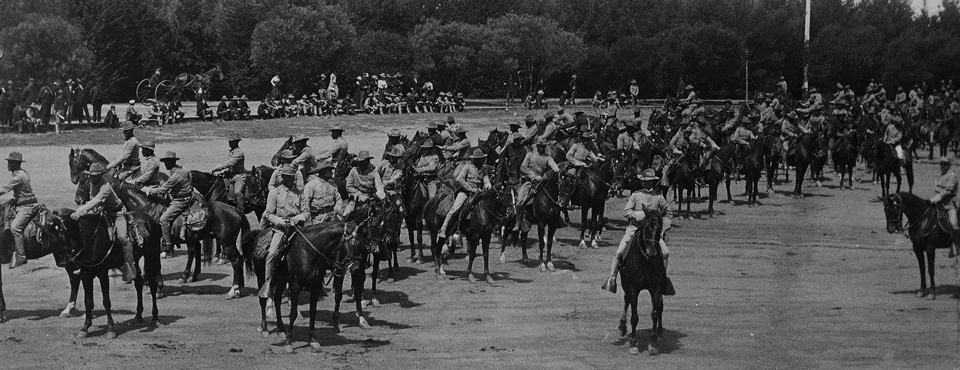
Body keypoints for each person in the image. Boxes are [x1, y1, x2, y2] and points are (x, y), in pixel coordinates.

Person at [601, 168, 672, 293]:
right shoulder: (635, 195)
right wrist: (637, 214)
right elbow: (626, 211)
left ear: (652, 182)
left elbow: (668, 212)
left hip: (652, 232)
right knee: (619, 252)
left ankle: (663, 279)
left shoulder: (659, 197)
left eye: (648, 181)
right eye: (644, 181)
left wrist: (662, 228)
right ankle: (612, 278)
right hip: (635, 228)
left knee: (665, 253)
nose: (645, 184)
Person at [72, 162, 139, 282]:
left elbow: (96, 200)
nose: (92, 178)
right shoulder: (93, 183)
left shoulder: (106, 186)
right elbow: (93, 199)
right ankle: (84, 264)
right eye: (91, 175)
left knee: (123, 237)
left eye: (94, 175)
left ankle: (130, 265)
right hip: (103, 211)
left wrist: (80, 211)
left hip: (117, 213)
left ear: (100, 175)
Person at [258, 164, 309, 299]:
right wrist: (280, 221)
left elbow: (307, 212)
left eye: (292, 177)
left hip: (298, 228)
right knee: (272, 255)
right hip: (281, 229)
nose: (291, 180)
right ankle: (268, 285)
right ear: (282, 178)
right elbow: (268, 214)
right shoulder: (274, 193)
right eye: (288, 177)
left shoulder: (300, 193)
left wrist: (299, 217)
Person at [437, 149, 491, 241]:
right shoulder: (467, 167)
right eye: (478, 159)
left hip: (479, 192)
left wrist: (488, 185)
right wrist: (470, 188)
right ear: (474, 159)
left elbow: (486, 179)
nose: (480, 161)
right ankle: (443, 228)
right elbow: (459, 179)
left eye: (481, 159)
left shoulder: (484, 169)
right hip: (465, 192)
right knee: (455, 208)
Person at [149, 152, 194, 255]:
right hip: (187, 196)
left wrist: (149, 191)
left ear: (170, 162)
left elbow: (162, 190)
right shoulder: (183, 170)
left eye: (166, 162)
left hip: (180, 201)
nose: (165, 165)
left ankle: (167, 244)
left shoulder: (175, 175)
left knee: (163, 219)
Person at [0, 152, 38, 268]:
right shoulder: (19, 173)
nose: (8, 164)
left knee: (15, 227)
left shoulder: (19, 176)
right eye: (8, 162)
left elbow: (4, 189)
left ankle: (21, 255)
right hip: (21, 204)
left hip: (27, 207)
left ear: (16, 163)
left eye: (11, 162)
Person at [515, 139, 560, 231]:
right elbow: (523, 168)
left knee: (557, 198)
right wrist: (534, 176)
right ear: (537, 146)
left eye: (543, 146)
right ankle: (518, 222)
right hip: (529, 183)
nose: (542, 148)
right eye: (540, 146)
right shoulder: (529, 155)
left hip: (543, 183)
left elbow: (555, 167)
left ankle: (557, 218)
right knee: (519, 200)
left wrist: (555, 170)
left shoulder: (548, 158)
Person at [930, 157, 960, 257]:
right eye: (941, 164)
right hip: (938, 205)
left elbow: (947, 192)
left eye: (945, 164)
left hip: (949, 205)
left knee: (953, 224)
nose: (942, 166)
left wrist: (935, 199)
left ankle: (956, 245)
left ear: (949, 165)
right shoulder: (941, 176)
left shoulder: (952, 177)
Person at [342, 151, 385, 218]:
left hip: (370, 201)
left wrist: (379, 195)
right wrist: (359, 195)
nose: (360, 164)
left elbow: (379, 186)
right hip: (355, 201)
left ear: (368, 161)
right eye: (359, 162)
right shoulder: (354, 171)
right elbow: (348, 187)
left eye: (362, 162)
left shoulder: (374, 171)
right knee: (345, 216)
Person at [211, 134, 247, 214]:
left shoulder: (239, 153)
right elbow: (230, 167)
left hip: (239, 176)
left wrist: (218, 168)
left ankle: (241, 211)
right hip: (230, 176)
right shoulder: (231, 152)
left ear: (236, 142)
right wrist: (223, 171)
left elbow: (230, 163)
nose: (229, 143)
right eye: (229, 142)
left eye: (231, 142)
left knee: (238, 193)